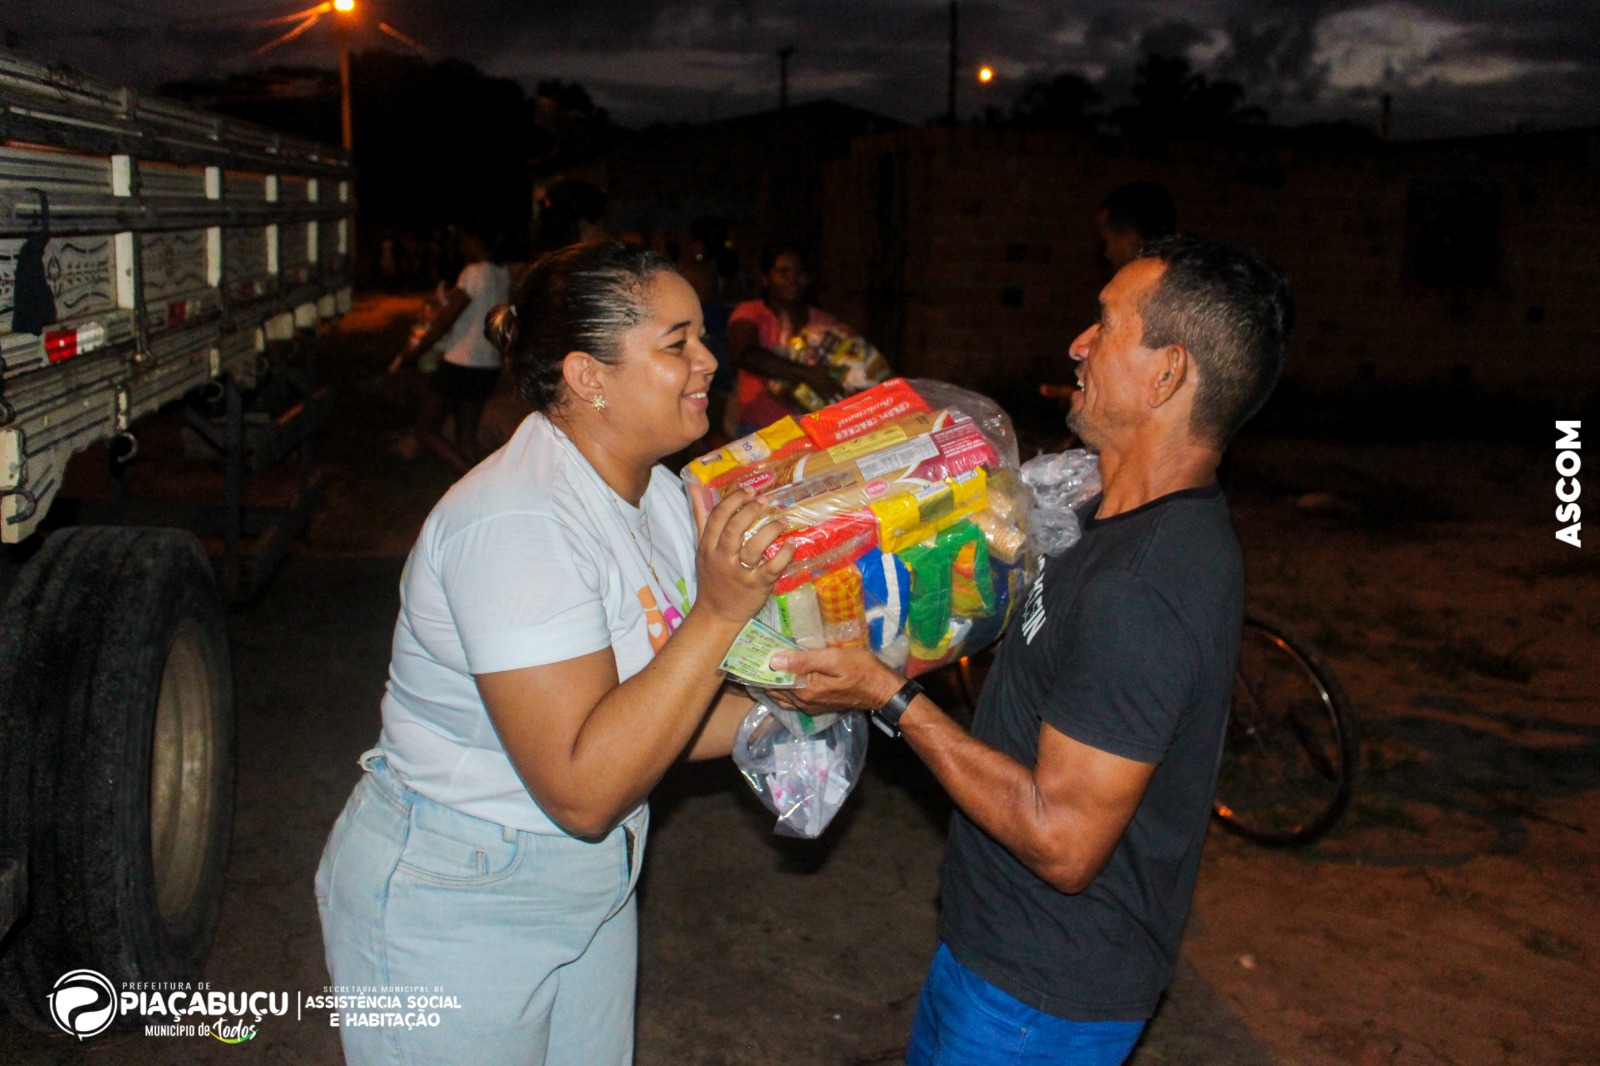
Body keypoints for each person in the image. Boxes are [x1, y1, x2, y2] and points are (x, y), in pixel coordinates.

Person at [770, 234, 1293, 1065]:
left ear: (1166, 374)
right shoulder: (1096, 510)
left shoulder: (1146, 588)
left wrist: (890, 699)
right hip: (990, 951)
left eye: (1105, 324)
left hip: (1040, 997)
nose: (1077, 344)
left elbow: (1062, 841)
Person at [318, 241, 796, 1065]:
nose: (708, 360)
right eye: (676, 343)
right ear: (589, 378)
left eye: (701, 337)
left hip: (591, 882)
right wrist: (719, 614)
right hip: (459, 896)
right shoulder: (517, 522)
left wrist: (806, 696)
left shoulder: (662, 494)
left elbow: (661, 713)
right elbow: (582, 787)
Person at [1043, 182, 1179, 407]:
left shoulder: (1153, 299)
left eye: (1106, 241)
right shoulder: (1180, 288)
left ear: (1131, 239)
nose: (1105, 253)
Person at [398, 226, 513, 472]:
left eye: (465, 241)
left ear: (475, 241)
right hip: (488, 365)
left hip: (462, 364)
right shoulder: (502, 274)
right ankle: (480, 486)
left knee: (426, 429)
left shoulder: (473, 272)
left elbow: (444, 320)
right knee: (467, 438)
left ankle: (471, 482)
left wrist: (417, 351)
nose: (462, 247)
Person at [725, 245, 849, 435]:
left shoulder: (825, 322)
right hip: (759, 427)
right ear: (766, 278)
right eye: (783, 272)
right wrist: (809, 374)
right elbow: (744, 354)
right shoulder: (750, 313)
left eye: (800, 273)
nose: (793, 279)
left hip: (811, 429)